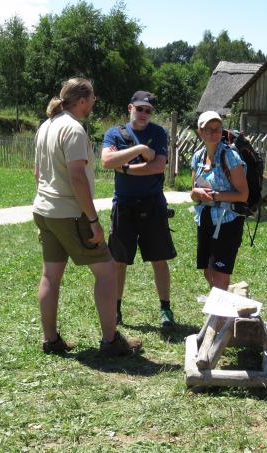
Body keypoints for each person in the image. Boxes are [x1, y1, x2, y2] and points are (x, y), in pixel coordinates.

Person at [32, 77, 142, 357]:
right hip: (70, 213)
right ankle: (110, 341)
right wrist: (93, 220)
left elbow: (37, 173)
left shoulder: (46, 126)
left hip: (45, 210)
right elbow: (77, 178)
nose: (94, 102)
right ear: (81, 101)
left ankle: (50, 340)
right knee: (107, 272)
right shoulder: (73, 129)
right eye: (92, 97)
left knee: (50, 276)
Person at [101, 91, 178, 328]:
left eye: (148, 110)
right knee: (119, 261)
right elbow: (106, 161)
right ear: (130, 108)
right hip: (123, 205)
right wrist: (140, 149)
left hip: (152, 203)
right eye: (140, 109)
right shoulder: (114, 133)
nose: (143, 113)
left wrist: (124, 167)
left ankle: (165, 308)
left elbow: (157, 167)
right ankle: (115, 309)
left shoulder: (159, 132)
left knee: (159, 259)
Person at [190, 111, 249, 291]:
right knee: (208, 271)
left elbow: (243, 195)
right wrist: (196, 192)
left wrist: (215, 196)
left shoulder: (230, 156)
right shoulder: (198, 157)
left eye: (218, 128)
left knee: (220, 275)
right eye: (209, 129)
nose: (214, 132)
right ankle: (224, 300)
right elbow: (193, 193)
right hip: (205, 218)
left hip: (228, 221)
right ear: (200, 132)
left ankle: (219, 307)